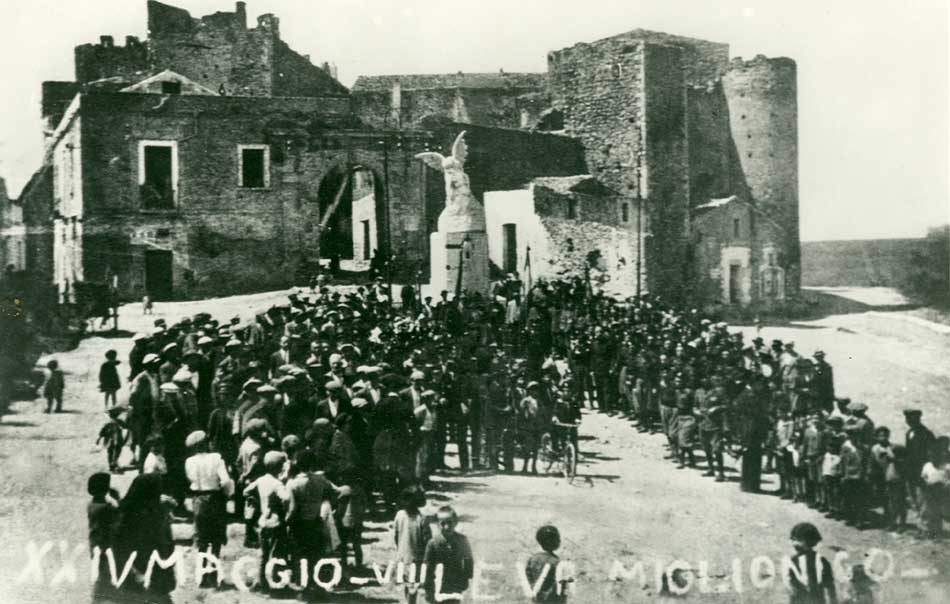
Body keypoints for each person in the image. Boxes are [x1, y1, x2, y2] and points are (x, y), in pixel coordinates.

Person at [110, 474, 176, 602]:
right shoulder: (127, 517)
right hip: (137, 573)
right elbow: (118, 546)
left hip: (157, 573)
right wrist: (134, 572)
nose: (159, 493)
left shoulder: (156, 509)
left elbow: (166, 541)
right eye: (156, 490)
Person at [184, 430, 234, 588]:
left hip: (198, 499)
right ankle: (214, 574)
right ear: (205, 443)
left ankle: (202, 576)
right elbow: (225, 481)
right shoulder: (216, 458)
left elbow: (190, 480)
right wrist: (227, 495)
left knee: (202, 538)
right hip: (215, 498)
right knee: (216, 538)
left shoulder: (189, 461)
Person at [244, 450, 289, 593]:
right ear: (279, 467)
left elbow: (246, 491)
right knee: (276, 554)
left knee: (264, 554)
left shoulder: (261, 480)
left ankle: (263, 583)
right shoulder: (277, 484)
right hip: (276, 521)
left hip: (263, 520)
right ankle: (275, 583)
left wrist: (255, 500)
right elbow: (286, 497)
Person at [423, 506, 474, 604]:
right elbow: (428, 567)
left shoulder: (461, 540)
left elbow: (468, 560)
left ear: (456, 522)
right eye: (442, 523)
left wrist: (466, 579)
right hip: (438, 585)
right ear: (437, 524)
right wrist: (428, 588)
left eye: (450, 523)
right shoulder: (433, 543)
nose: (446, 527)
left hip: (456, 584)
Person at [394, 487, 431, 604]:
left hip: (404, 557)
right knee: (412, 585)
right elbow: (427, 541)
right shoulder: (422, 519)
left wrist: (400, 549)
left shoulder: (400, 515)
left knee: (409, 585)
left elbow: (396, 536)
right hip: (415, 558)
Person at [787, 522, 837, 604]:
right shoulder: (792, 562)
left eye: (799, 540)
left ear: (810, 541)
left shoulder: (821, 561)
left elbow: (830, 587)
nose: (794, 543)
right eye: (793, 540)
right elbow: (793, 590)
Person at [525, 525, 569, 603]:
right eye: (557, 538)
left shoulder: (532, 559)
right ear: (550, 541)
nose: (559, 540)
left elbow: (529, 576)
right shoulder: (556, 562)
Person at [97, 406, 128, 472]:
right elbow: (126, 427)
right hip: (117, 440)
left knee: (110, 453)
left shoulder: (108, 423)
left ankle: (111, 464)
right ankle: (113, 463)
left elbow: (102, 431)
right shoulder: (119, 421)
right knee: (116, 452)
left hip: (110, 440)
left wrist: (99, 439)